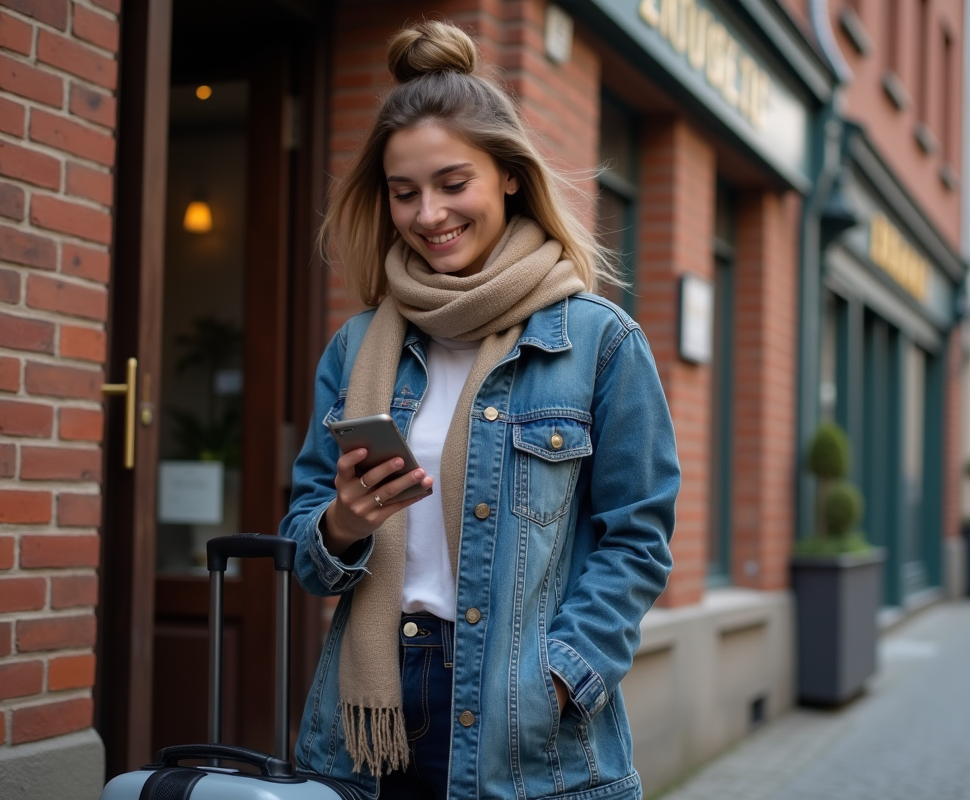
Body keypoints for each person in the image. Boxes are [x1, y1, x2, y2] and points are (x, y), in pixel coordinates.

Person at [279, 20, 679, 800]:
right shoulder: (359, 349)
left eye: (452, 183)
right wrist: (343, 526)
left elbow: (637, 538)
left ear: (507, 176)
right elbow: (304, 546)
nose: (429, 214)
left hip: (524, 719)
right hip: (371, 716)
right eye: (404, 193)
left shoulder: (598, 342)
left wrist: (558, 678)